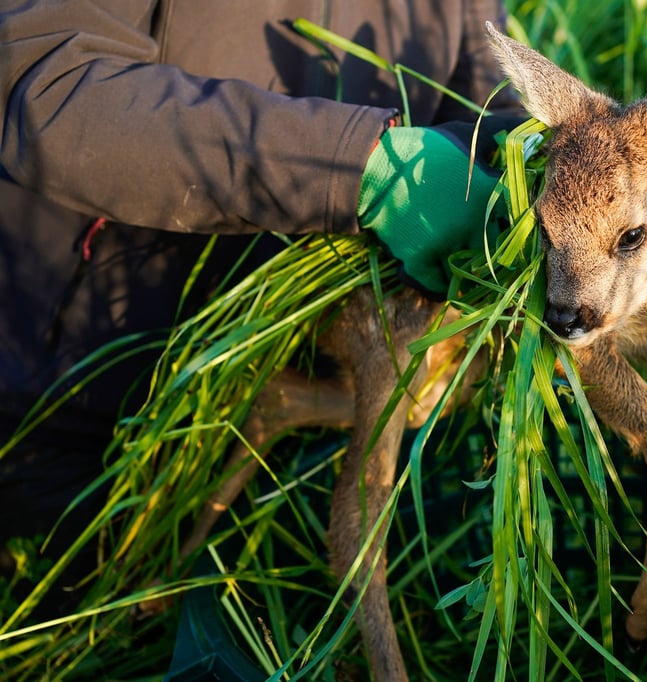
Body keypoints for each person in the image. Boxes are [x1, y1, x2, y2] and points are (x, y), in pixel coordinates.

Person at [0, 0, 519, 615]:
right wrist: (358, 168)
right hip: (56, 394)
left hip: (253, 425)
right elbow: (45, 81)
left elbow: (488, 111)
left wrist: (551, 174)